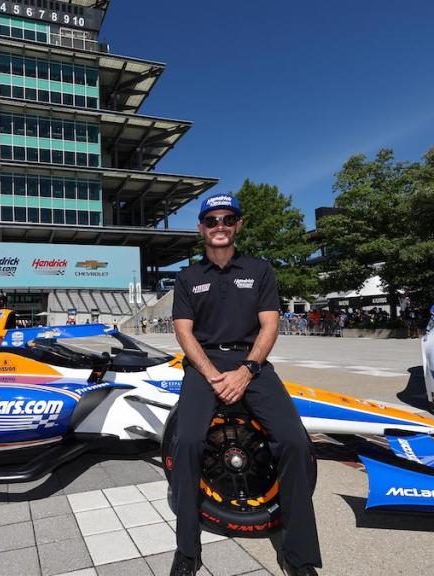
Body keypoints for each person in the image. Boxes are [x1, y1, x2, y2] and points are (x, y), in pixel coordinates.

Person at [169, 194, 321, 576]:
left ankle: (298, 555)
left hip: (252, 364)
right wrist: (211, 374)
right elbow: (183, 333)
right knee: (185, 442)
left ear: (237, 225)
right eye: (211, 220)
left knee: (295, 442)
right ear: (201, 228)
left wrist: (247, 370)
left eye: (227, 219)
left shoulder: (260, 269)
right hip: (204, 366)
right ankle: (188, 550)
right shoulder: (188, 277)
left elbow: (270, 324)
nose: (219, 225)